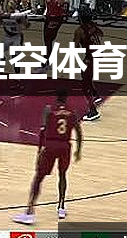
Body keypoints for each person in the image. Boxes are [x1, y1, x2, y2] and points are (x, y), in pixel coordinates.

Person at [13, 89, 83, 225]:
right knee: (62, 175)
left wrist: (39, 151)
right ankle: (61, 207)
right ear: (66, 98)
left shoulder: (49, 110)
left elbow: (43, 132)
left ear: (56, 97)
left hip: (51, 145)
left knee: (38, 178)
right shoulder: (72, 113)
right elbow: (79, 132)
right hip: (65, 146)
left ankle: (29, 212)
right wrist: (78, 151)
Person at [75, 7, 104, 121]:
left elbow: (76, 47)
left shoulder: (80, 30)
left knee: (85, 84)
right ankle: (96, 95)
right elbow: (101, 34)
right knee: (88, 77)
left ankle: (93, 111)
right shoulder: (93, 26)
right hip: (98, 55)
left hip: (90, 58)